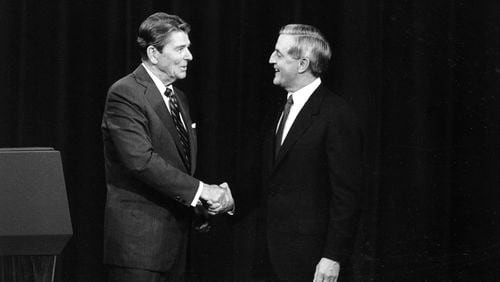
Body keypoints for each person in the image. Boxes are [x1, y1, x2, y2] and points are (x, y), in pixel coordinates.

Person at [101, 12, 234, 282]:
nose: (189, 56)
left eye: (189, 48)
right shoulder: (125, 93)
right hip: (139, 251)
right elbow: (141, 161)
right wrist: (202, 191)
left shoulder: (179, 98)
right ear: (153, 52)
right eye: (180, 49)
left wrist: (200, 206)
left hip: (176, 247)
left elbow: (177, 163)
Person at [255, 24, 363, 282]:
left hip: (314, 264)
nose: (271, 59)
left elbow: (347, 195)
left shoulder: (337, 115)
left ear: (302, 64)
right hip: (274, 258)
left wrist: (333, 256)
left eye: (279, 54)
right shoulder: (280, 109)